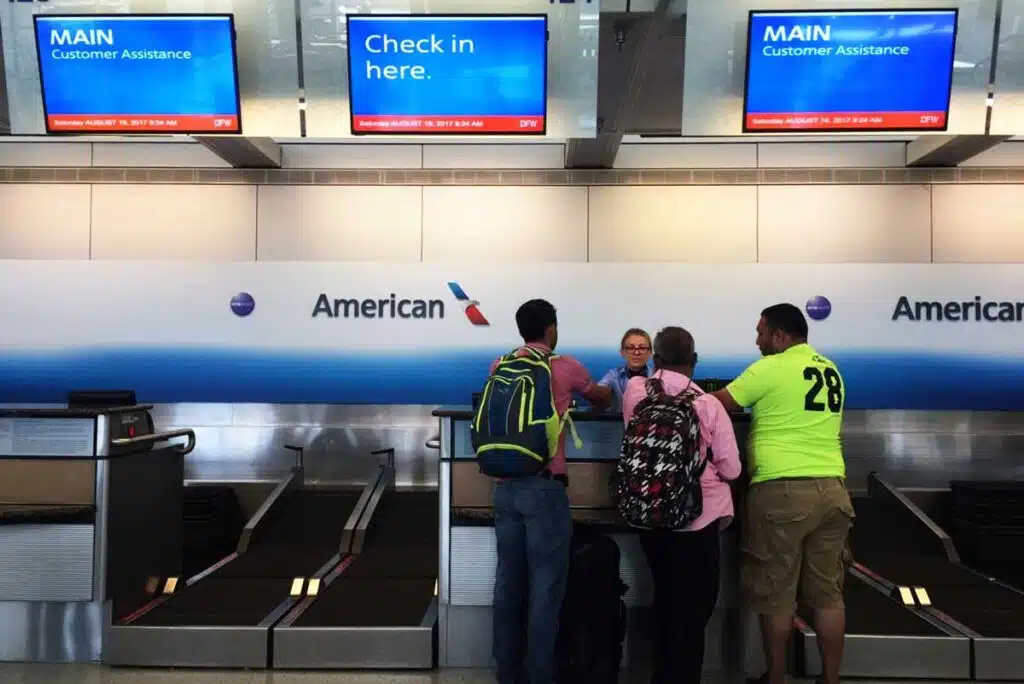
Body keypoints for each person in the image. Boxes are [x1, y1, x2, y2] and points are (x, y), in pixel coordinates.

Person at [711, 303, 853, 684]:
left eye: (761, 332)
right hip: (834, 490)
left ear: (779, 335)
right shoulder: (830, 368)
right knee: (828, 592)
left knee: (775, 590)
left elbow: (718, 403)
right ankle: (831, 679)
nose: (757, 340)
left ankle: (775, 677)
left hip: (782, 491)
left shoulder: (771, 367)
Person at [489, 299, 612, 684]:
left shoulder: (501, 365)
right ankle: (540, 674)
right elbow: (599, 397)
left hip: (503, 488)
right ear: (551, 329)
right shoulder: (566, 366)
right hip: (544, 487)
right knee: (546, 586)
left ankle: (507, 673)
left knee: (509, 582)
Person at [621, 326, 741, 684]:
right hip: (695, 519)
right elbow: (731, 467)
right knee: (694, 610)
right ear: (696, 361)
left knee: (665, 598)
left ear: (655, 359)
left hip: (647, 514)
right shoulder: (706, 404)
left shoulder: (635, 391)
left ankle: (661, 676)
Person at [598, 328, 653, 412]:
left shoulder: (657, 377)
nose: (636, 352)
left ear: (650, 352)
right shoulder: (613, 376)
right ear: (622, 352)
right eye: (630, 348)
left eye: (642, 348)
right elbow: (599, 391)